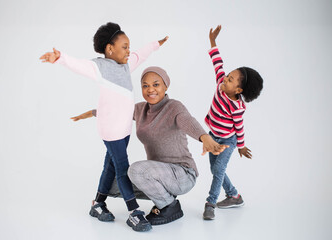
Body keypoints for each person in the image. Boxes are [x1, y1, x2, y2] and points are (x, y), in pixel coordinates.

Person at [40, 22, 168, 232]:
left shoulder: (126, 65)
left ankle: (98, 204)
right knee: (121, 168)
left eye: (128, 47)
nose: (129, 51)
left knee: (110, 165)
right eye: (124, 47)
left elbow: (139, 55)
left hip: (124, 129)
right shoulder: (101, 67)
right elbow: (80, 65)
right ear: (110, 49)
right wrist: (60, 57)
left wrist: (156, 44)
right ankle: (134, 212)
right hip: (111, 130)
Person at [73, 66, 228, 225]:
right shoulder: (140, 109)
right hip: (159, 175)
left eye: (156, 84)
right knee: (113, 184)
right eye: (145, 86)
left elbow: (188, 121)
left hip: (183, 173)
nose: (150, 89)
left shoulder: (174, 107)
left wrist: (204, 138)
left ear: (165, 86)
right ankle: (165, 198)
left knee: (136, 170)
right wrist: (91, 113)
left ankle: (169, 206)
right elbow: (116, 111)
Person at [202, 25, 263, 220]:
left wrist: (241, 147)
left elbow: (239, 128)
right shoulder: (221, 84)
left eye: (230, 80)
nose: (225, 79)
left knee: (218, 170)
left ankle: (210, 203)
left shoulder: (236, 107)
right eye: (228, 76)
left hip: (228, 140)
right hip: (213, 136)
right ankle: (234, 195)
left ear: (238, 91)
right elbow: (217, 63)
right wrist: (213, 42)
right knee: (214, 169)